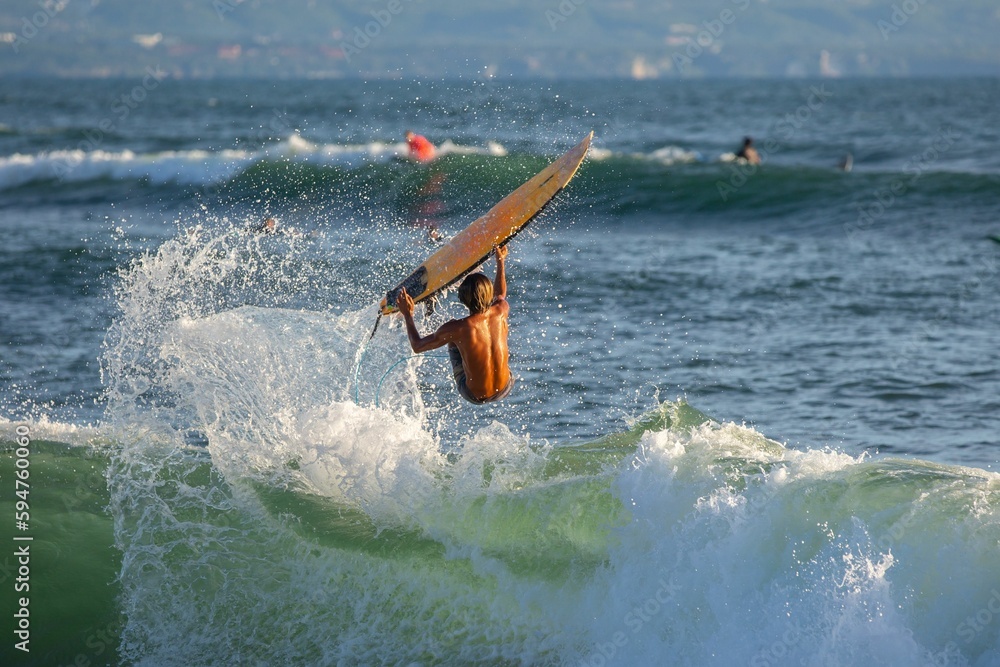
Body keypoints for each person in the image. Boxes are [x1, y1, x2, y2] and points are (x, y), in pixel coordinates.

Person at [396, 245, 513, 404]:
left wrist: (408, 315)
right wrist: (500, 261)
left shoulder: (457, 329)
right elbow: (500, 294)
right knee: (474, 336)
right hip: (505, 387)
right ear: (489, 293)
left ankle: (430, 304)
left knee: (453, 337)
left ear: (462, 299)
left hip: (474, 395)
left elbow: (417, 346)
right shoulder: (501, 310)